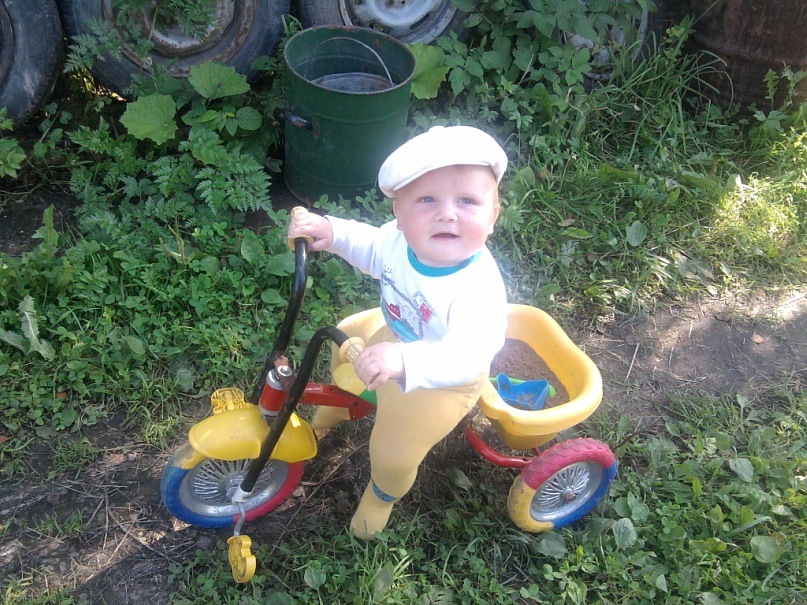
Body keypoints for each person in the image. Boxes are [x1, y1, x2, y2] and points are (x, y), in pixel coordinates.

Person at [287, 125, 509, 539]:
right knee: (344, 338)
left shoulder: (477, 290)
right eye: (427, 200)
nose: (447, 213)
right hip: (396, 335)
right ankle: (338, 407)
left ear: (492, 215)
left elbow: (467, 355)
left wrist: (404, 360)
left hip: (442, 380)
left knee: (395, 451)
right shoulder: (398, 241)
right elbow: (372, 246)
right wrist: (333, 233)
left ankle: (382, 494)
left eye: (467, 201)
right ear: (399, 214)